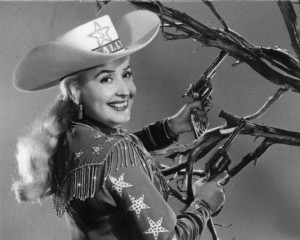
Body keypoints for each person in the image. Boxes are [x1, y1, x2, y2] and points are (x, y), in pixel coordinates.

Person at [12, 9, 227, 240]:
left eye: (126, 74)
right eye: (106, 79)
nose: (124, 90)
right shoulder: (115, 155)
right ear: (76, 91)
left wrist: (170, 127)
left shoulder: (70, 137)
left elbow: (109, 158)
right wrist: (204, 203)